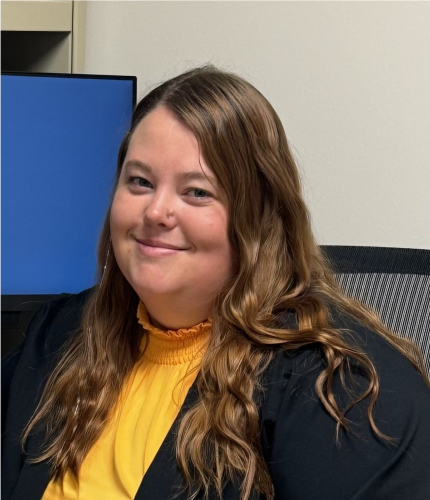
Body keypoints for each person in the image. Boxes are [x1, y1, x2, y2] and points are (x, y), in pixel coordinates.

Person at [1, 66, 429, 500]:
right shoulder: (62, 334)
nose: (156, 212)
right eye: (140, 182)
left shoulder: (338, 385)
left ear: (260, 216)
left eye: (197, 192)